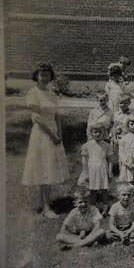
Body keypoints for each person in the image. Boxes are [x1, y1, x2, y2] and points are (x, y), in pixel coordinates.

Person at [22, 63, 70, 218]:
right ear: (36, 76)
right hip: (42, 134)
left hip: (54, 133)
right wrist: (52, 135)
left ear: (51, 76)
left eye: (47, 75)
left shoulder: (52, 93)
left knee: (49, 169)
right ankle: (46, 207)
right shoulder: (33, 93)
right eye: (42, 74)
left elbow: (57, 115)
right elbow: (36, 118)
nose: (44, 77)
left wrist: (59, 134)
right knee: (43, 170)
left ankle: (46, 203)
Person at [78, 123, 113, 214]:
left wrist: (110, 171)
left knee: (105, 190)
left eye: (100, 132)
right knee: (92, 191)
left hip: (103, 170)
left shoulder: (106, 145)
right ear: (91, 133)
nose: (97, 134)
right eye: (95, 132)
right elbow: (84, 161)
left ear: (104, 133)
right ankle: (93, 208)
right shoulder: (87, 145)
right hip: (92, 171)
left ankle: (105, 208)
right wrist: (86, 172)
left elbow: (110, 160)